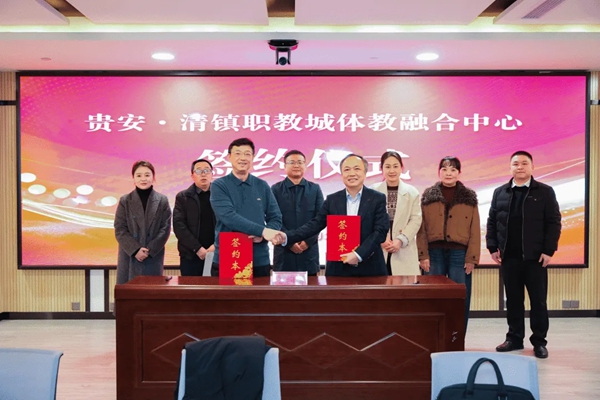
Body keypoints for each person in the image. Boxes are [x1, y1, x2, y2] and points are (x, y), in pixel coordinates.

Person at [486, 151, 561, 359]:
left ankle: (539, 342)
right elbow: (492, 221)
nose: (520, 167)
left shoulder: (545, 192)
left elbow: (553, 222)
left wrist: (549, 250)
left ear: (532, 167)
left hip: (535, 258)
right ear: (510, 167)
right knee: (513, 301)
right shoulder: (500, 192)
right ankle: (514, 338)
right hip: (509, 257)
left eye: (524, 163)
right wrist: (492, 247)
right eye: (516, 164)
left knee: (538, 302)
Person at [273, 154, 389, 277]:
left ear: (365, 172)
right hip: (338, 269)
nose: (352, 173)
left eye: (357, 169)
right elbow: (315, 224)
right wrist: (287, 237)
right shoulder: (332, 200)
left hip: (370, 267)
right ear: (342, 174)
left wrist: (358, 254)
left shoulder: (377, 198)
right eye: (347, 169)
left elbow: (380, 231)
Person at [417, 156, 480, 329]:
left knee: (459, 299)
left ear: (459, 173)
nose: (448, 173)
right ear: (439, 172)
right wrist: (422, 255)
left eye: (453, 169)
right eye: (444, 169)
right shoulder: (428, 196)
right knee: (432, 297)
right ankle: (432, 336)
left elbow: (475, 229)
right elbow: (421, 228)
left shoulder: (469, 197)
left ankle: (457, 337)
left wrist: (472, 258)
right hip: (433, 254)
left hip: (459, 255)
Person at [210, 138, 282, 277]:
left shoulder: (262, 185)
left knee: (261, 292)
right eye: (237, 153)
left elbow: (276, 217)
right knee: (228, 292)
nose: (243, 158)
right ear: (229, 157)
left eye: (247, 154)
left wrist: (263, 236)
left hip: (259, 258)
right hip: (229, 255)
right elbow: (229, 217)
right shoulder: (219, 185)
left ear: (253, 157)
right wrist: (262, 231)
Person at [114, 160, 172, 284]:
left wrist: (149, 250)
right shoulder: (125, 200)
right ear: (133, 178)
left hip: (152, 255)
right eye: (139, 175)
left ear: (153, 177)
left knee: (152, 291)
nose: (143, 179)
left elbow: (165, 228)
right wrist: (135, 250)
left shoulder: (162, 200)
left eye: (147, 175)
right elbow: (120, 228)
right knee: (129, 291)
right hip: (130, 256)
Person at [271, 150, 324, 275]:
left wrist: (307, 242)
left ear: (305, 165)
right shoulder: (275, 189)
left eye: (300, 162)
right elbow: (272, 218)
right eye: (292, 162)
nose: (296, 165)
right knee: (283, 287)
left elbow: (321, 218)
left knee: (311, 287)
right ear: (285, 166)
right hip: (283, 251)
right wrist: (288, 241)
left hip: (309, 251)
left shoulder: (315, 189)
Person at [371, 151, 422, 275]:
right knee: (379, 284)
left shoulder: (412, 192)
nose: (392, 170)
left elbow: (416, 220)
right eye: (387, 166)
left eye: (395, 166)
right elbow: (368, 219)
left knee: (403, 286)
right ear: (381, 168)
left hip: (403, 249)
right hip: (379, 249)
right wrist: (381, 238)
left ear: (401, 168)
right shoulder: (372, 191)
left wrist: (400, 240)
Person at [173, 158, 216, 276]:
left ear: (212, 174)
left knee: (217, 287)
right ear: (192, 175)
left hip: (217, 253)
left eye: (206, 170)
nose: (203, 174)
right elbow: (179, 226)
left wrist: (217, 245)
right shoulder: (183, 197)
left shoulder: (221, 196)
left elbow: (227, 222)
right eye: (198, 171)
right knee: (191, 288)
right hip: (191, 255)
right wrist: (197, 248)